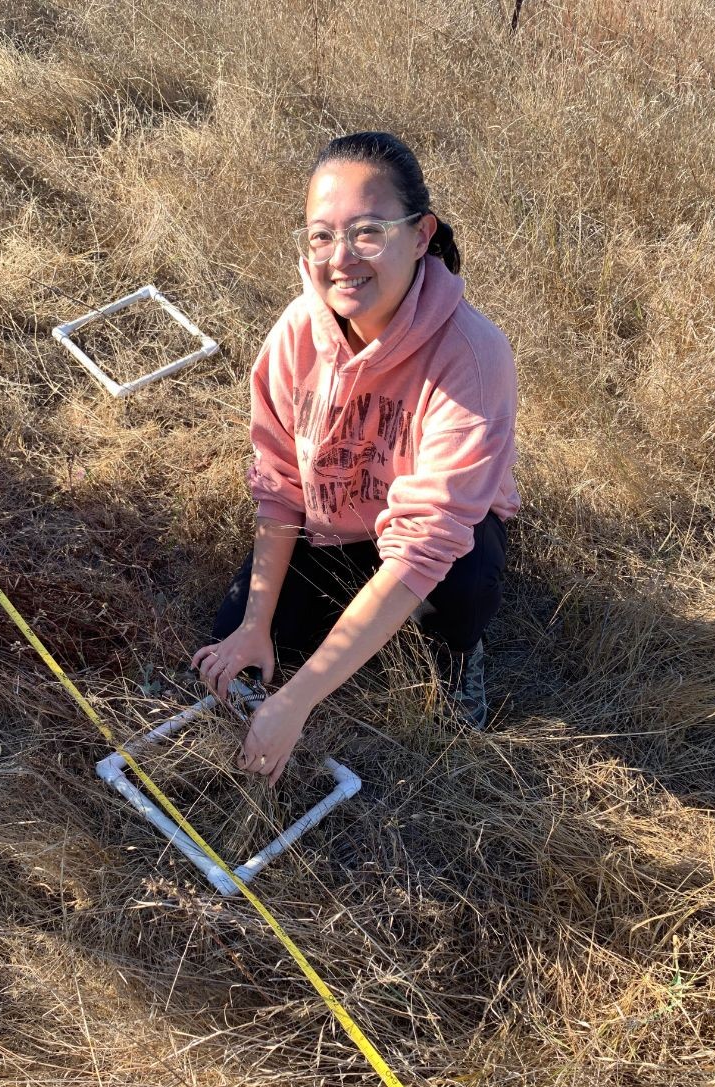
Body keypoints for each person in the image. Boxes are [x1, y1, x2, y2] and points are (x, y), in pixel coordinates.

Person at [190, 132, 520, 785]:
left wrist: (298, 700)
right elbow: (280, 482)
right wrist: (256, 626)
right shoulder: (295, 332)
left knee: (465, 573)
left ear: (421, 234)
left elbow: (426, 543)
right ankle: (334, 633)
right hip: (334, 526)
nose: (340, 258)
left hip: (436, 543)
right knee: (236, 637)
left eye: (367, 232)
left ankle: (455, 653)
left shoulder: (473, 356)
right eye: (320, 236)